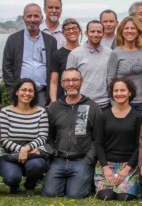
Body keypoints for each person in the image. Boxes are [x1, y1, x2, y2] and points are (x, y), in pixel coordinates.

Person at [42, 68, 103, 199]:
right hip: (59, 159)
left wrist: (89, 159)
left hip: (82, 160)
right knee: (50, 194)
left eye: (75, 80)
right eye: (67, 80)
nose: (71, 84)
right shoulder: (54, 108)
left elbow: (98, 138)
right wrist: (53, 155)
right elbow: (48, 136)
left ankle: (80, 181)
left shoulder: (93, 107)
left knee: (75, 195)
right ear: (62, 84)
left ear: (81, 82)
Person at [93, 77, 142, 201]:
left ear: (129, 92)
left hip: (129, 166)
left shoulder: (137, 116)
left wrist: (127, 169)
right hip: (106, 165)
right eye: (116, 91)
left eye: (123, 90)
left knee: (124, 196)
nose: (119, 93)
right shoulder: (103, 116)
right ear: (112, 93)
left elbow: (140, 146)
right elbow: (98, 143)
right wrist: (105, 167)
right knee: (106, 196)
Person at [0, 78, 49, 195]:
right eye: (23, 90)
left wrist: (26, 149)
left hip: (32, 154)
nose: (27, 93)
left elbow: (43, 137)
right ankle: (14, 185)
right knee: (12, 177)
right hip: (8, 155)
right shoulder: (5, 112)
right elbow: (3, 139)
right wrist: (20, 150)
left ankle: (30, 185)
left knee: (37, 165)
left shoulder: (41, 112)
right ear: (16, 92)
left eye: (30, 90)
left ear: (34, 93)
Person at [2, 3, 57, 106]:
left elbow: (54, 69)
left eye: (36, 16)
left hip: (42, 94)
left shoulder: (50, 41)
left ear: (41, 18)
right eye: (29, 16)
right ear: (24, 18)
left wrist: (51, 97)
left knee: (40, 121)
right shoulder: (13, 40)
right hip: (20, 94)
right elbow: (6, 67)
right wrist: (13, 92)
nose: (32, 19)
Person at [66, 20, 114, 110]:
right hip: (82, 104)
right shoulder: (75, 54)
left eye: (99, 32)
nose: (96, 34)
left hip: (105, 105)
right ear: (86, 33)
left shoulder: (110, 53)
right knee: (81, 125)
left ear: (103, 33)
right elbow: (68, 82)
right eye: (92, 31)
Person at [110, 16, 142, 121]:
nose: (129, 31)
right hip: (123, 103)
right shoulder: (115, 52)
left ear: (138, 31)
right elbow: (110, 80)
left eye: (133, 28)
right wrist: (114, 104)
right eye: (126, 28)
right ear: (121, 32)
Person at [49, 18, 81, 104]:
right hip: (63, 99)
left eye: (74, 28)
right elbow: (54, 81)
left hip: (82, 98)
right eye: (68, 29)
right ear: (63, 33)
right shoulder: (57, 54)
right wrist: (53, 101)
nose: (71, 31)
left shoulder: (85, 52)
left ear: (79, 30)